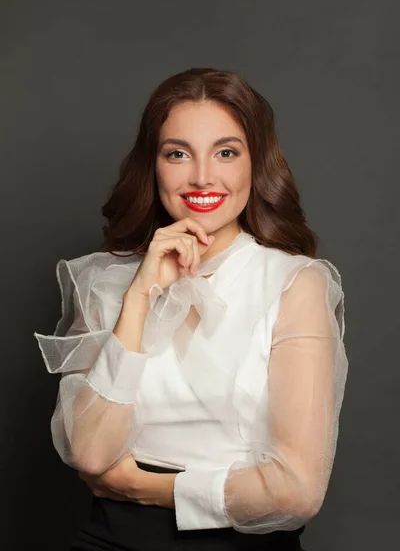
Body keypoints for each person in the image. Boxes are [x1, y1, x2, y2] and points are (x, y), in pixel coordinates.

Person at [34, 67, 349, 551]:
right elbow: (91, 454)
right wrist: (138, 298)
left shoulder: (294, 283)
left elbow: (297, 491)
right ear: (153, 165)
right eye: (177, 153)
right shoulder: (105, 281)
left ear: (255, 163)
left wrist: (147, 488)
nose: (202, 176)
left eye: (226, 152)